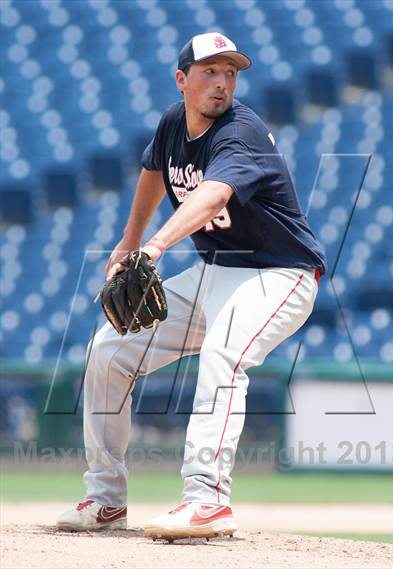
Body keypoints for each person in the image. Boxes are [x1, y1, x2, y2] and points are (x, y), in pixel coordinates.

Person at [57, 32, 326, 540]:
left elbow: (212, 194)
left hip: (280, 273)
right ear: (182, 80)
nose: (222, 82)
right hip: (214, 273)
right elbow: (154, 171)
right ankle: (107, 499)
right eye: (210, 71)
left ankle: (207, 500)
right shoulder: (172, 123)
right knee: (108, 350)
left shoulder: (240, 132)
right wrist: (127, 241)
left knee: (224, 354)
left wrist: (153, 249)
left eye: (231, 73)